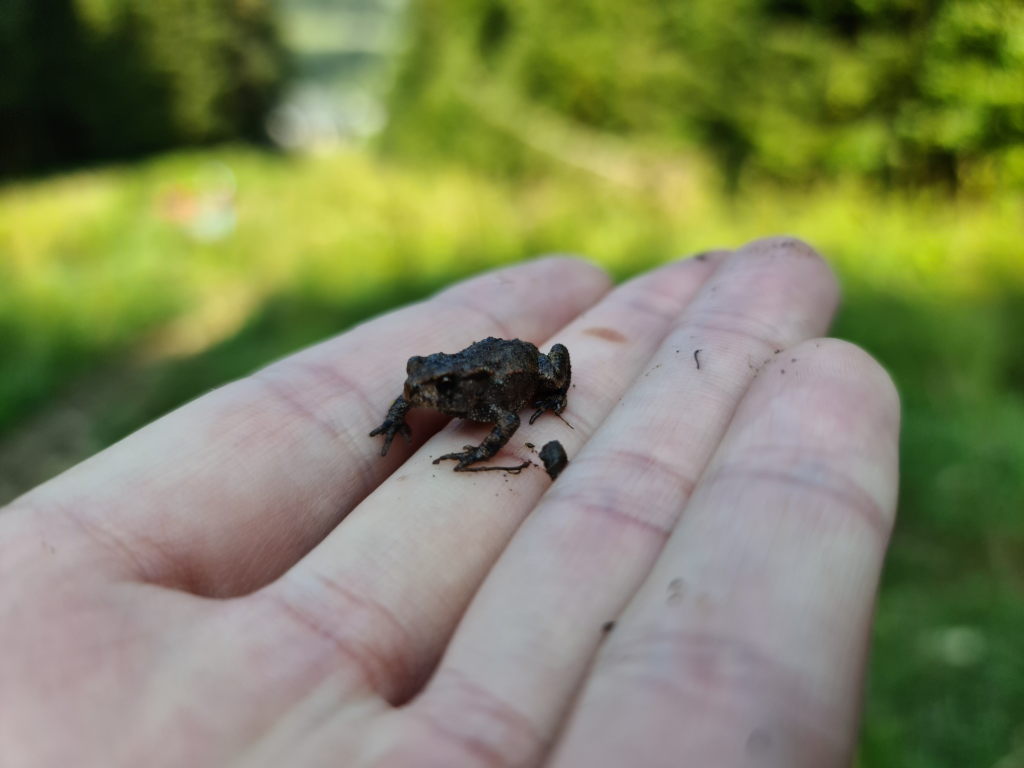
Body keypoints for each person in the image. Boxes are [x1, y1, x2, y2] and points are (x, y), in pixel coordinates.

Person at [0, 237, 899, 767]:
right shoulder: (435, 390)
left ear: (463, 385)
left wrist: (504, 436)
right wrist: (399, 419)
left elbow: (507, 412)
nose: (429, 397)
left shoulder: (492, 394)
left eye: (438, 390)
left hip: (521, 364)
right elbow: (416, 391)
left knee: (546, 374)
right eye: (426, 390)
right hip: (487, 362)